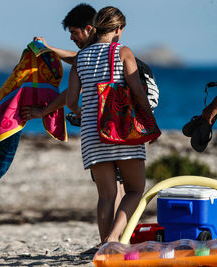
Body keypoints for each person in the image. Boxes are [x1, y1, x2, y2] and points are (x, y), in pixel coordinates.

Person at [21, 3, 126, 219]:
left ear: (89, 28)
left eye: (74, 32)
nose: (71, 38)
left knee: (108, 191)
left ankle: (110, 241)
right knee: (118, 185)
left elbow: (71, 92)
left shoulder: (88, 56)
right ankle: (117, 240)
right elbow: (75, 64)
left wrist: (77, 111)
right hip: (120, 126)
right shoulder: (113, 51)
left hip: (99, 132)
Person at [65, 6, 158, 243]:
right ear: (118, 29)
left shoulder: (80, 58)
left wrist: (84, 113)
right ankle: (113, 239)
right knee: (135, 190)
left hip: (92, 133)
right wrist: (149, 121)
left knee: (106, 195)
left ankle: (104, 246)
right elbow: (137, 91)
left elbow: (71, 101)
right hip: (123, 129)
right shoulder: (123, 51)